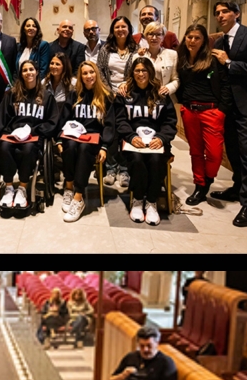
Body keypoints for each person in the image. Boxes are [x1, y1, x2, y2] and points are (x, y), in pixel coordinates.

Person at [0, 59, 59, 214]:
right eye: (25, 70)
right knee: (4, 147)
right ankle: (9, 188)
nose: (28, 73)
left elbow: (52, 122)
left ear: (37, 72)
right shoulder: (12, 94)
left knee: (28, 149)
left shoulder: (46, 96)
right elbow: (1, 117)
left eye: (31, 69)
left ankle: (23, 188)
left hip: (33, 136)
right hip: (12, 134)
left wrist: (34, 131)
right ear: (21, 74)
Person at [116, 56, 178, 226]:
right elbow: (120, 121)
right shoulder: (125, 92)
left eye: (144, 70)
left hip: (156, 141)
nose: (141, 73)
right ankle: (137, 199)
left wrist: (162, 138)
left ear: (150, 71)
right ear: (132, 73)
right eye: (137, 70)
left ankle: (151, 202)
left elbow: (170, 122)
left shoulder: (161, 93)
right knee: (137, 160)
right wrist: (130, 136)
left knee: (156, 160)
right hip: (132, 141)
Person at [175, 24, 229, 207]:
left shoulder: (213, 59)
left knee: (214, 154)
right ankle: (200, 186)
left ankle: (208, 179)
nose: (192, 41)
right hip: (190, 110)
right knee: (195, 152)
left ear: (204, 40)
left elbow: (225, 85)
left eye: (197, 37)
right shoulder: (181, 58)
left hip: (211, 111)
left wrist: (222, 109)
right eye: (189, 37)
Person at [210, 0, 247, 227]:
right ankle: (237, 189)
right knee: (234, 152)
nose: (220, 16)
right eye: (217, 13)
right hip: (228, 107)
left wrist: (230, 63)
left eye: (225, 12)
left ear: (236, 13)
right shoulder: (219, 41)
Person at [60, 60, 116, 224]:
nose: (88, 76)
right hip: (74, 134)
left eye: (91, 72)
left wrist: (105, 146)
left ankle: (78, 196)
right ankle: (69, 187)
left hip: (94, 138)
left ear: (96, 74)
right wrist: (58, 139)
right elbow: (65, 118)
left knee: (84, 149)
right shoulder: (74, 94)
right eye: (85, 73)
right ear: (80, 76)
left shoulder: (106, 95)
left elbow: (110, 125)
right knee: (69, 146)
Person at [96, 15, 136, 187]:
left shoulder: (136, 48)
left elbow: (140, 69)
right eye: (117, 27)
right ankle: (111, 167)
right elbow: (100, 71)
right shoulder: (105, 48)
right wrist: (109, 92)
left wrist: (127, 86)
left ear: (129, 29)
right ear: (113, 30)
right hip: (109, 96)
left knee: (127, 131)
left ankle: (125, 168)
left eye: (123, 27)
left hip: (130, 96)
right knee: (111, 132)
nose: (120, 30)